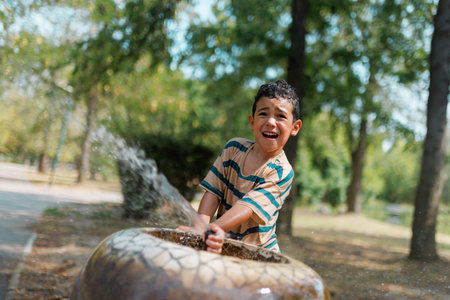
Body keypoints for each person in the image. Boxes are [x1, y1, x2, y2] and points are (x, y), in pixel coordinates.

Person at [180, 79, 302, 254]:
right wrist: (201, 227)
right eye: (263, 113)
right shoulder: (233, 149)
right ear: (252, 122)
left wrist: (208, 231)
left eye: (281, 116)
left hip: (258, 255)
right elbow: (213, 192)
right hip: (223, 240)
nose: (270, 122)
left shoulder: (281, 171)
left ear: (294, 127)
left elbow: (246, 208)